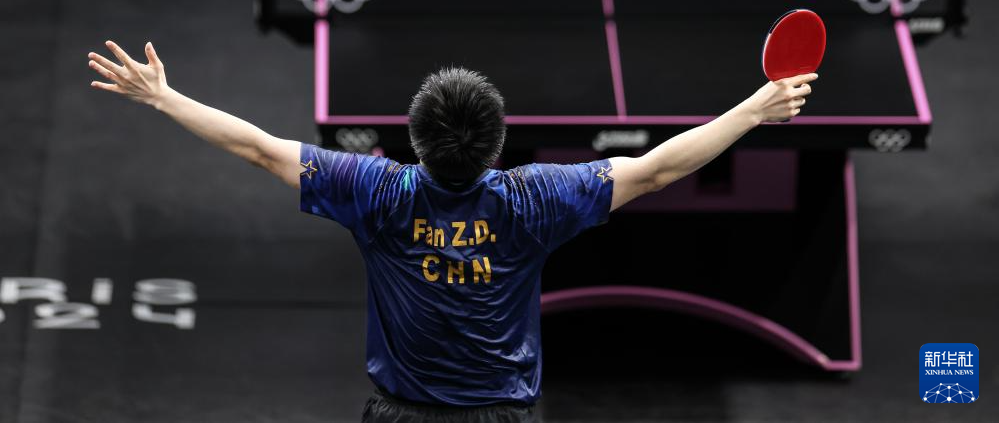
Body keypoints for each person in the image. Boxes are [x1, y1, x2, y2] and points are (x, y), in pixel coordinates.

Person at [88, 39, 817, 423]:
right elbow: (655, 170)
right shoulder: (535, 199)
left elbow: (259, 148)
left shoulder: (374, 189)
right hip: (501, 417)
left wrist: (165, 97)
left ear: (414, 140)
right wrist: (753, 110)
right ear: (496, 147)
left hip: (399, 416)